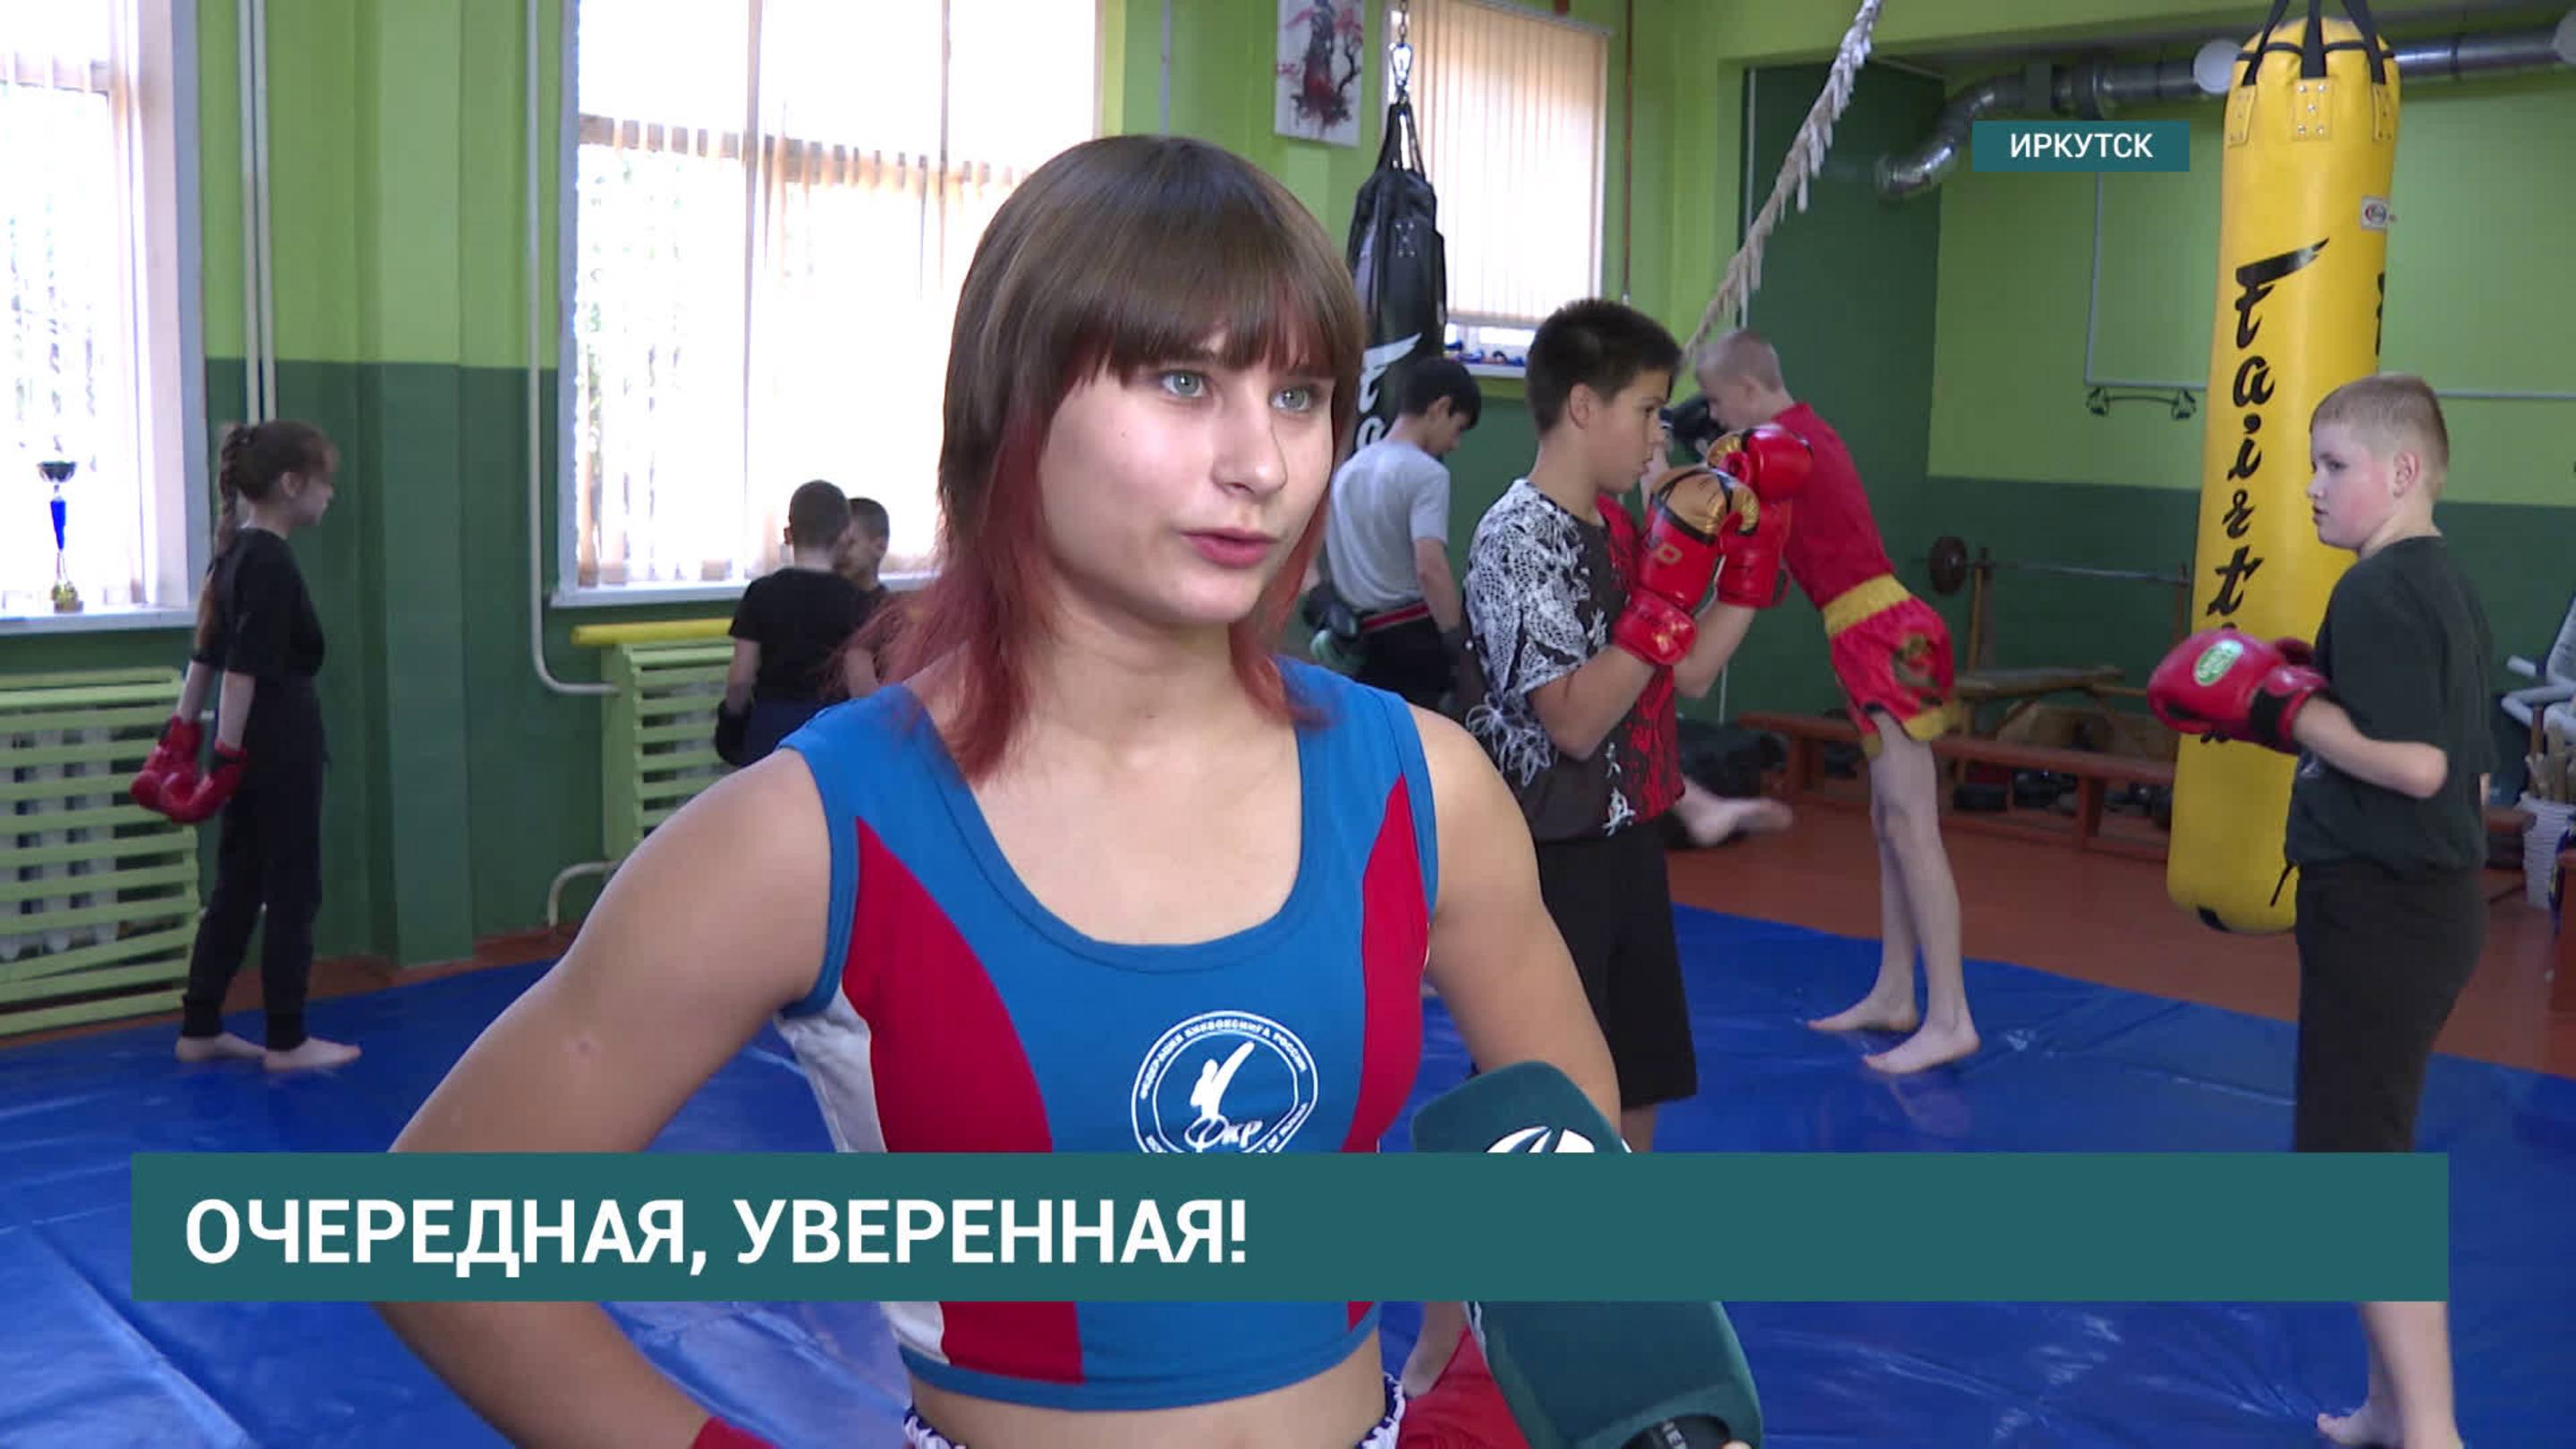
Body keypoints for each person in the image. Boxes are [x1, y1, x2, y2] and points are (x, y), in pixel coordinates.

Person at [374, 133, 1620, 1449]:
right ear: (1014, 408)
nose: (1260, 463)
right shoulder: (807, 839)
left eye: (1299, 395)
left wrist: (1483, 1391)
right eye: (1183, 381)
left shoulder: (1422, 788)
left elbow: (1565, 1119)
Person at [1404, 299, 1798, 1403]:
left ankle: (1604, 1318)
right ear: (1582, 407)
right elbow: (1575, 720)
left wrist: (1749, 568)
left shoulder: (1623, 528)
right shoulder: (1516, 537)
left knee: (1632, 1097)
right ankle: (1436, 1354)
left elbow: (1690, 671)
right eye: (1646, 411)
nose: (1659, 434)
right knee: (1519, 1114)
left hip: (1627, 842)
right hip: (1542, 858)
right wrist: (1662, 603)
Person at [2148, 373, 2488, 1449]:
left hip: (2388, 910)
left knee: (2358, 1178)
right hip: (2424, 905)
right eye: (2312, 465)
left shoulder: (2380, 592)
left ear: (2404, 470)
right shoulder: (2445, 583)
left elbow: (2422, 768)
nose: (2311, 487)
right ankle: (2392, 1406)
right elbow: (2473, 773)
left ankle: (2430, 1430)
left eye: (2335, 466)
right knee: (2363, 1153)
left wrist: (2285, 713)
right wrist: (2309, 704)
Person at [1689, 329, 1978, 1075]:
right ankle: (1897, 991)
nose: (1714, 417)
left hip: (1886, 633)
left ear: (1747, 391)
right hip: (1863, 634)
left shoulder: (1789, 446)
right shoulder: (1791, 443)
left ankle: (1951, 1015)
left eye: (1716, 403)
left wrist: (1681, 473)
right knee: (1888, 823)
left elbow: (1729, 517)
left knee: (1912, 824)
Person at [127, 419, 360, 1073]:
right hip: (277, 743)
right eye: (324, 483)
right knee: (293, 888)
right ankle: (287, 1040)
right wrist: (227, 757)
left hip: (250, 742)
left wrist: (181, 741)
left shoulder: (232, 553)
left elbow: (204, 654)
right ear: (290, 484)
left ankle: (200, 1027)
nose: (330, 495)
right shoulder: (269, 561)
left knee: (238, 883)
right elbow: (239, 671)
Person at [1318, 357, 1482, 708]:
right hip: (1412, 643)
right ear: (1441, 407)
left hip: (1357, 644)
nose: (1454, 444)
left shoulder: (1349, 472)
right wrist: (1457, 642)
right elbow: (1429, 568)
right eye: (1457, 429)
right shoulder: (1427, 474)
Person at [715, 480, 875, 766]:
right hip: (829, 732)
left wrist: (732, 725)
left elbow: (740, 679)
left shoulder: (760, 593)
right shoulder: (856, 600)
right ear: (844, 537)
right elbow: (861, 686)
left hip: (770, 728)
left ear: (788, 534)